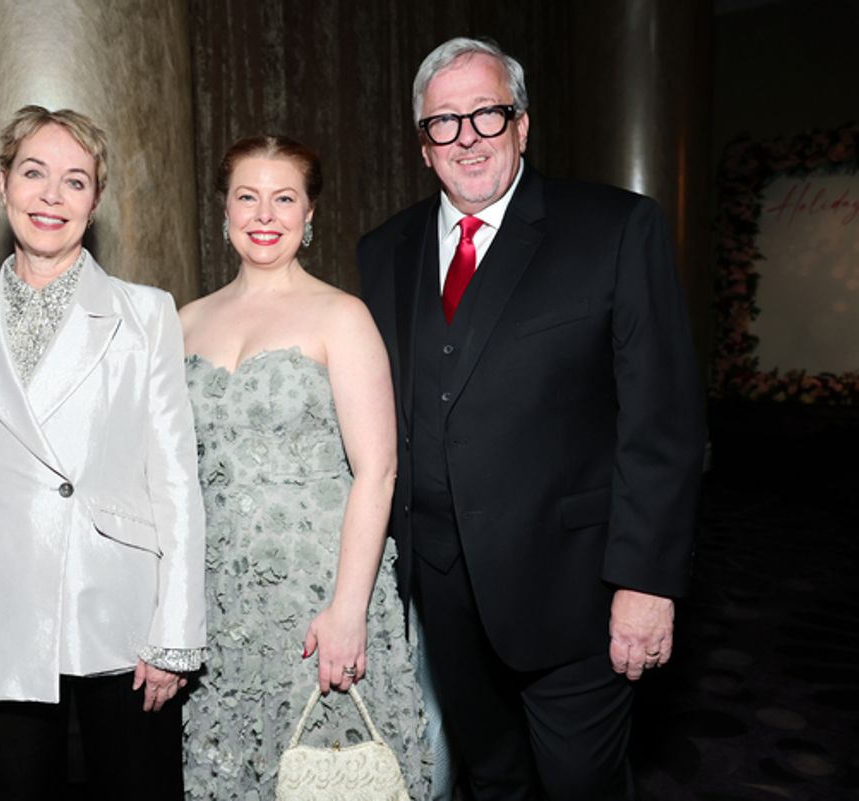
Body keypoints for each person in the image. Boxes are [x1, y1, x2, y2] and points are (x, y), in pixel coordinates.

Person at [357, 38, 705, 801]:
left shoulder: (615, 229)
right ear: (422, 147)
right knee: (492, 780)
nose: (467, 136)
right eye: (444, 122)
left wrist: (646, 581)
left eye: (487, 113)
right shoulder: (382, 252)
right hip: (440, 594)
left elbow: (663, 423)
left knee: (581, 786)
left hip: (575, 593)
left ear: (522, 126)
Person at [0, 105, 206, 800]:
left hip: (121, 609)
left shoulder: (144, 312)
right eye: (34, 173)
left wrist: (176, 631)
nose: (51, 196)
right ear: (2, 183)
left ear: (95, 201)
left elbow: (176, 481)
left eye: (75, 181)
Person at [179, 136, 431, 799]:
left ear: (310, 212)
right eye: (248, 197)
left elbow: (377, 471)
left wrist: (347, 609)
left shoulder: (341, 317)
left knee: (328, 777)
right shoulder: (183, 323)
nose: (266, 214)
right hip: (217, 606)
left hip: (316, 598)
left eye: (284, 197)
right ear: (224, 211)